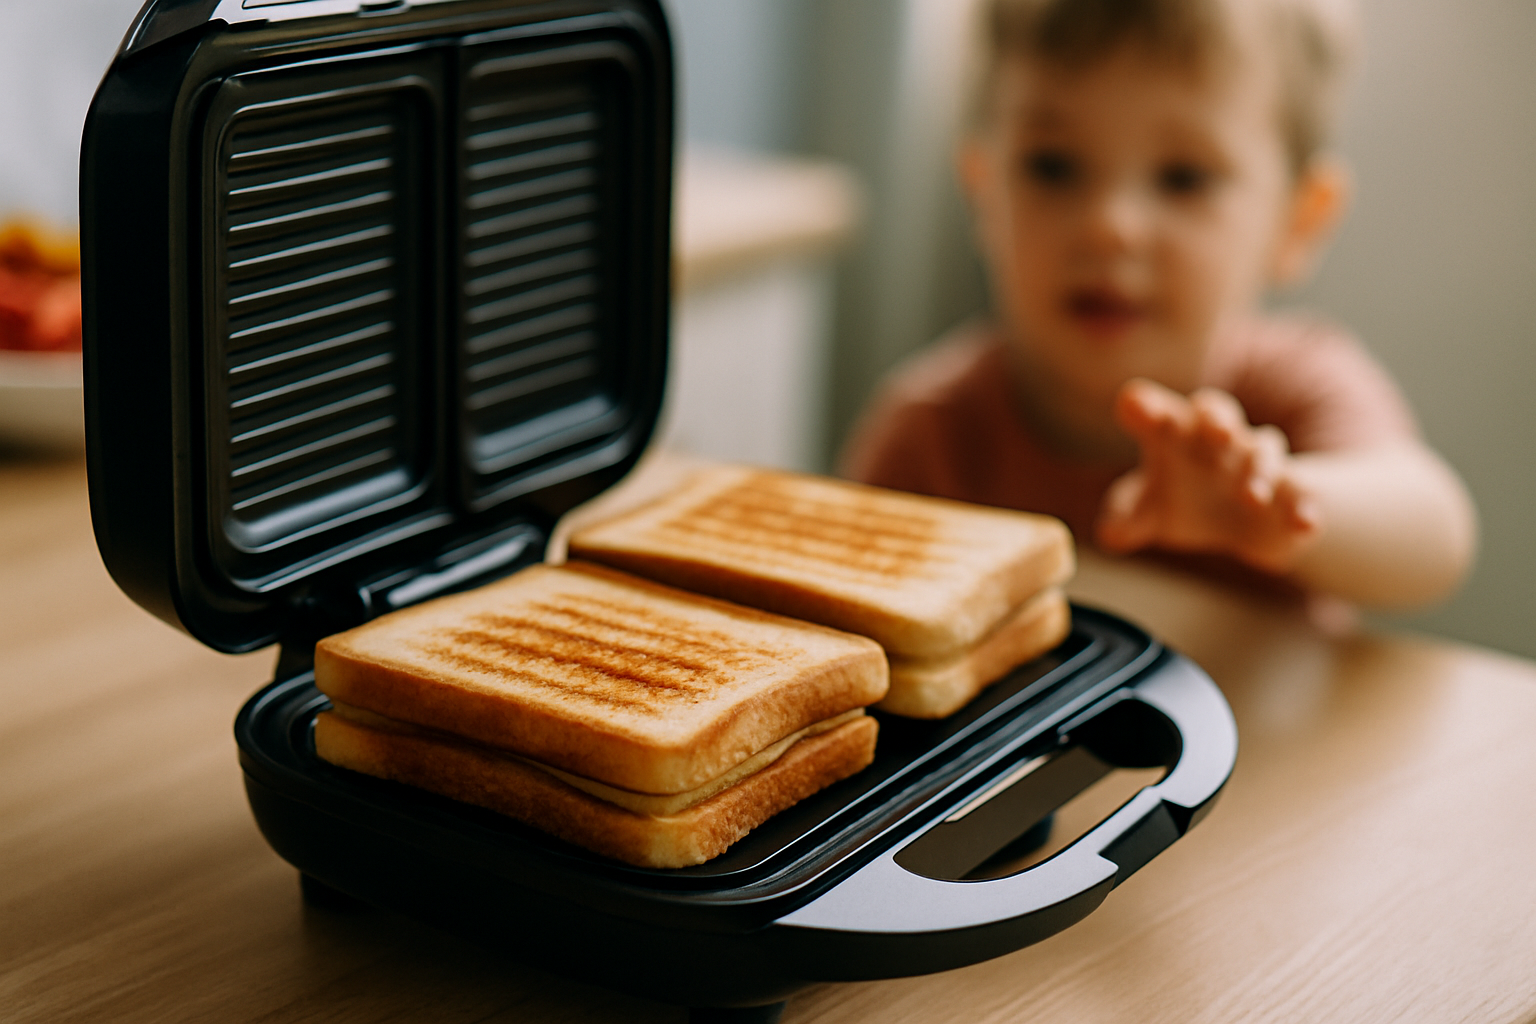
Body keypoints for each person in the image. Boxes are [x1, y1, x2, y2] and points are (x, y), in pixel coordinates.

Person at [840, 0, 1476, 611]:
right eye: (1054, 167)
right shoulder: (930, 434)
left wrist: (1280, 503)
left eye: (1184, 178)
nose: (1109, 226)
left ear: (1298, 223)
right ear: (984, 192)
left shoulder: (1296, 389)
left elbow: (1437, 535)